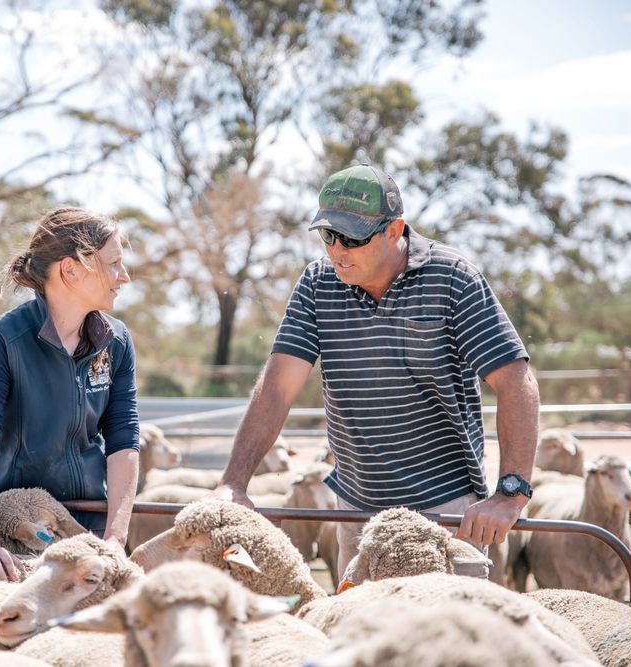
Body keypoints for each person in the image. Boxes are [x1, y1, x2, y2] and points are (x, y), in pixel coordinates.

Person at [213, 163, 540, 580]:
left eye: (352, 237)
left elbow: (516, 382)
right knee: (353, 635)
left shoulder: (453, 279)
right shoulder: (318, 284)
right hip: (358, 515)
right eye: (328, 235)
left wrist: (510, 494)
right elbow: (277, 387)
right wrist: (234, 483)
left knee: (445, 641)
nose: (337, 250)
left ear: (394, 230)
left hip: (445, 515)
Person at [0, 207, 140, 581]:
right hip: (20, 527)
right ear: (70, 269)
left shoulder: (117, 341)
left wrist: (115, 539)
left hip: (88, 528)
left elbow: (124, 443)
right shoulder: (1, 341)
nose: (124, 276)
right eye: (113, 263)